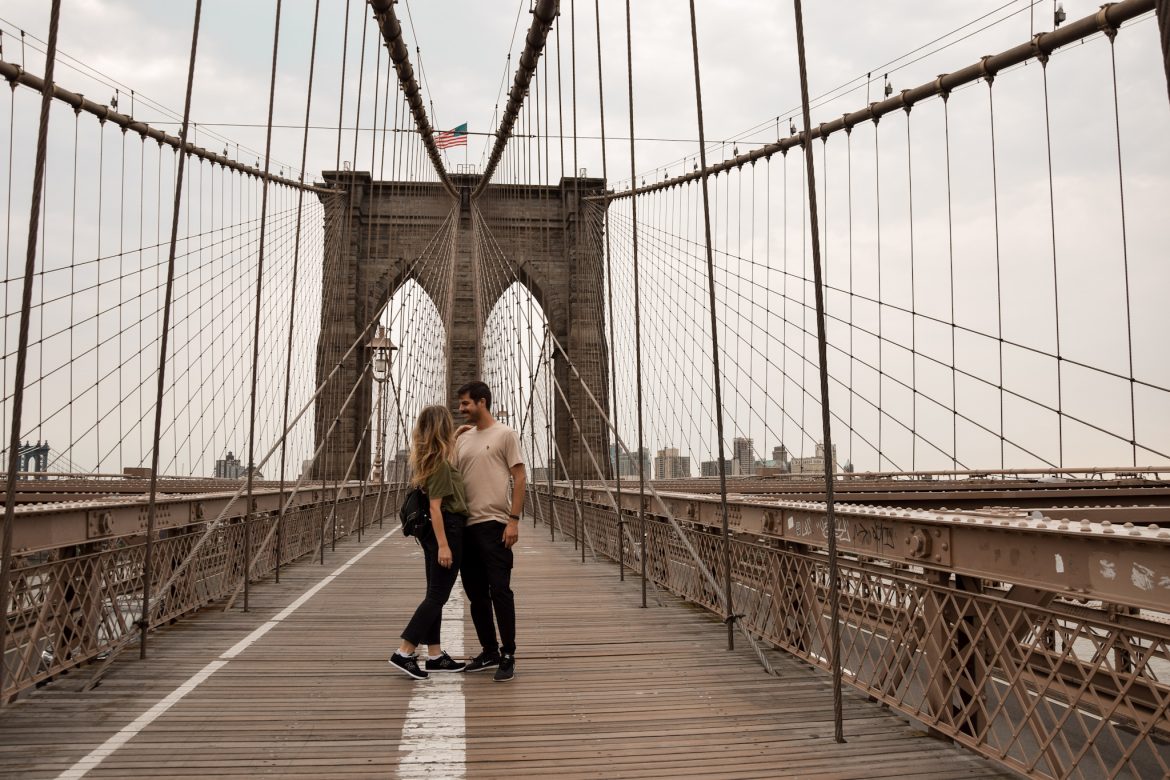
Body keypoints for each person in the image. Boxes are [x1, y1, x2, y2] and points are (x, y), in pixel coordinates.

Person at [389, 405, 469, 680]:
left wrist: (456, 436)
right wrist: (444, 545)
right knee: (438, 596)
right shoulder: (440, 466)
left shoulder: (428, 460)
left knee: (433, 594)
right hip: (447, 531)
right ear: (442, 429)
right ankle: (404, 651)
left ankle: (434, 655)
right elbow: (436, 509)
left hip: (435, 534)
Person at [453, 380, 525, 682]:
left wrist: (513, 520)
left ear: (482, 402)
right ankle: (489, 650)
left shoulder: (505, 435)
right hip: (465, 528)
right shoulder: (462, 438)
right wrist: (451, 439)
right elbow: (448, 475)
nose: (460, 409)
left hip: (495, 524)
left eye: (465, 403)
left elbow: (519, 478)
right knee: (476, 596)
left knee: (500, 591)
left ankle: (508, 653)